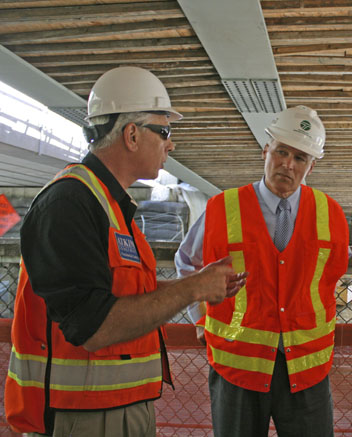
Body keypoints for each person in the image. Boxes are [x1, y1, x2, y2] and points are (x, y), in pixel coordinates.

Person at [5, 66, 247, 437]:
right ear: (132, 134)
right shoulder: (69, 203)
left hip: (113, 409)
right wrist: (193, 290)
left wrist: (200, 281)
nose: (171, 144)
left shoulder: (110, 207)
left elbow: (126, 298)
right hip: (80, 416)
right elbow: (94, 327)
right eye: (164, 131)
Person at [175, 105, 350, 437]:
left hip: (307, 367)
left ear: (311, 166)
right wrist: (198, 316)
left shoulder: (332, 214)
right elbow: (187, 262)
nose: (288, 163)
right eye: (281, 151)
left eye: (300, 157)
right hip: (238, 364)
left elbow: (332, 273)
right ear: (265, 151)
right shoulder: (221, 207)